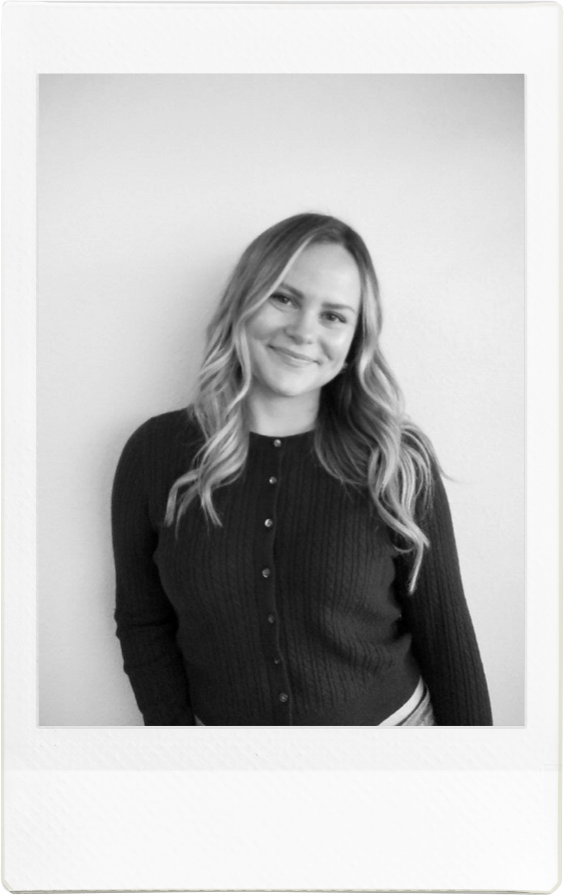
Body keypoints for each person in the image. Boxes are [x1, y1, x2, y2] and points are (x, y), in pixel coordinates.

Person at [111, 212, 493, 726]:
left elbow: (446, 633)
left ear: (355, 339)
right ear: (243, 301)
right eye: (284, 298)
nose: (303, 331)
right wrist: (179, 750)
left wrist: (476, 770)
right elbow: (143, 622)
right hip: (221, 759)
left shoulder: (396, 459)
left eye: (333, 316)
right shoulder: (154, 454)